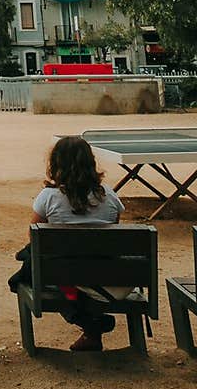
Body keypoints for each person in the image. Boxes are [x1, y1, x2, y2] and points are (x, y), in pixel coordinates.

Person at [11, 135, 128, 352]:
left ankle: (87, 323)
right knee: (40, 260)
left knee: (32, 259)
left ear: (55, 164)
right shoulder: (110, 197)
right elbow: (114, 234)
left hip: (62, 273)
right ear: (91, 163)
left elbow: (35, 238)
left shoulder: (48, 197)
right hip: (103, 273)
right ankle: (91, 331)